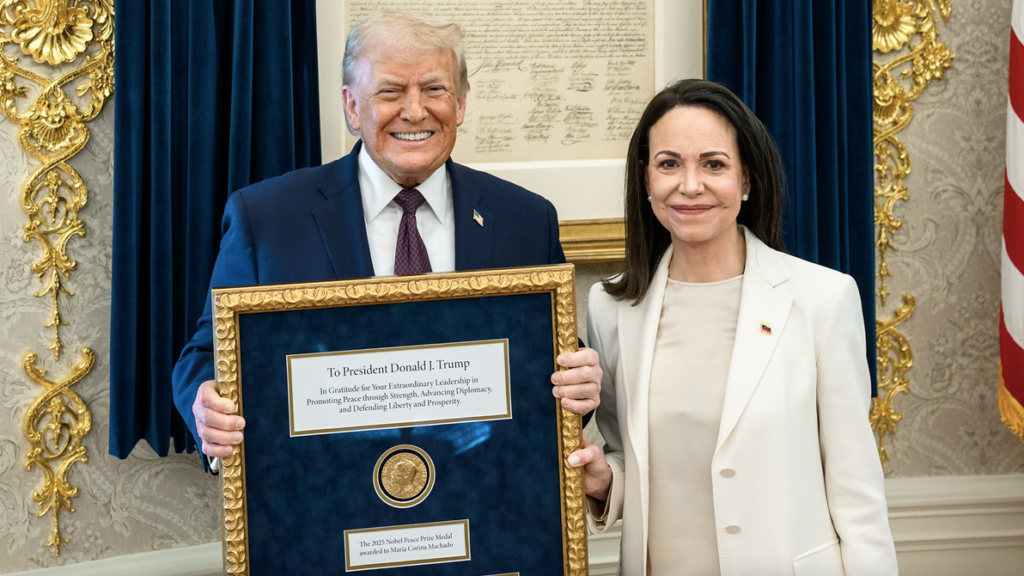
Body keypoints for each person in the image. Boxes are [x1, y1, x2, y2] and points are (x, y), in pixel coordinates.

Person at [171, 12, 601, 461]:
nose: (415, 111)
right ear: (353, 106)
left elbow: (551, 364)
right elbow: (206, 355)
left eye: (434, 89)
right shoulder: (267, 220)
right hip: (323, 500)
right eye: (390, 91)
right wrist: (207, 405)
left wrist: (579, 382)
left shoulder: (526, 220)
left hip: (483, 497)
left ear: (460, 104)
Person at [569, 79, 898, 575]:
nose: (690, 185)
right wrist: (602, 481)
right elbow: (628, 459)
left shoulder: (822, 300)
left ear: (746, 180)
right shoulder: (611, 306)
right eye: (669, 164)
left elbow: (857, 491)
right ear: (645, 180)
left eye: (714, 164)